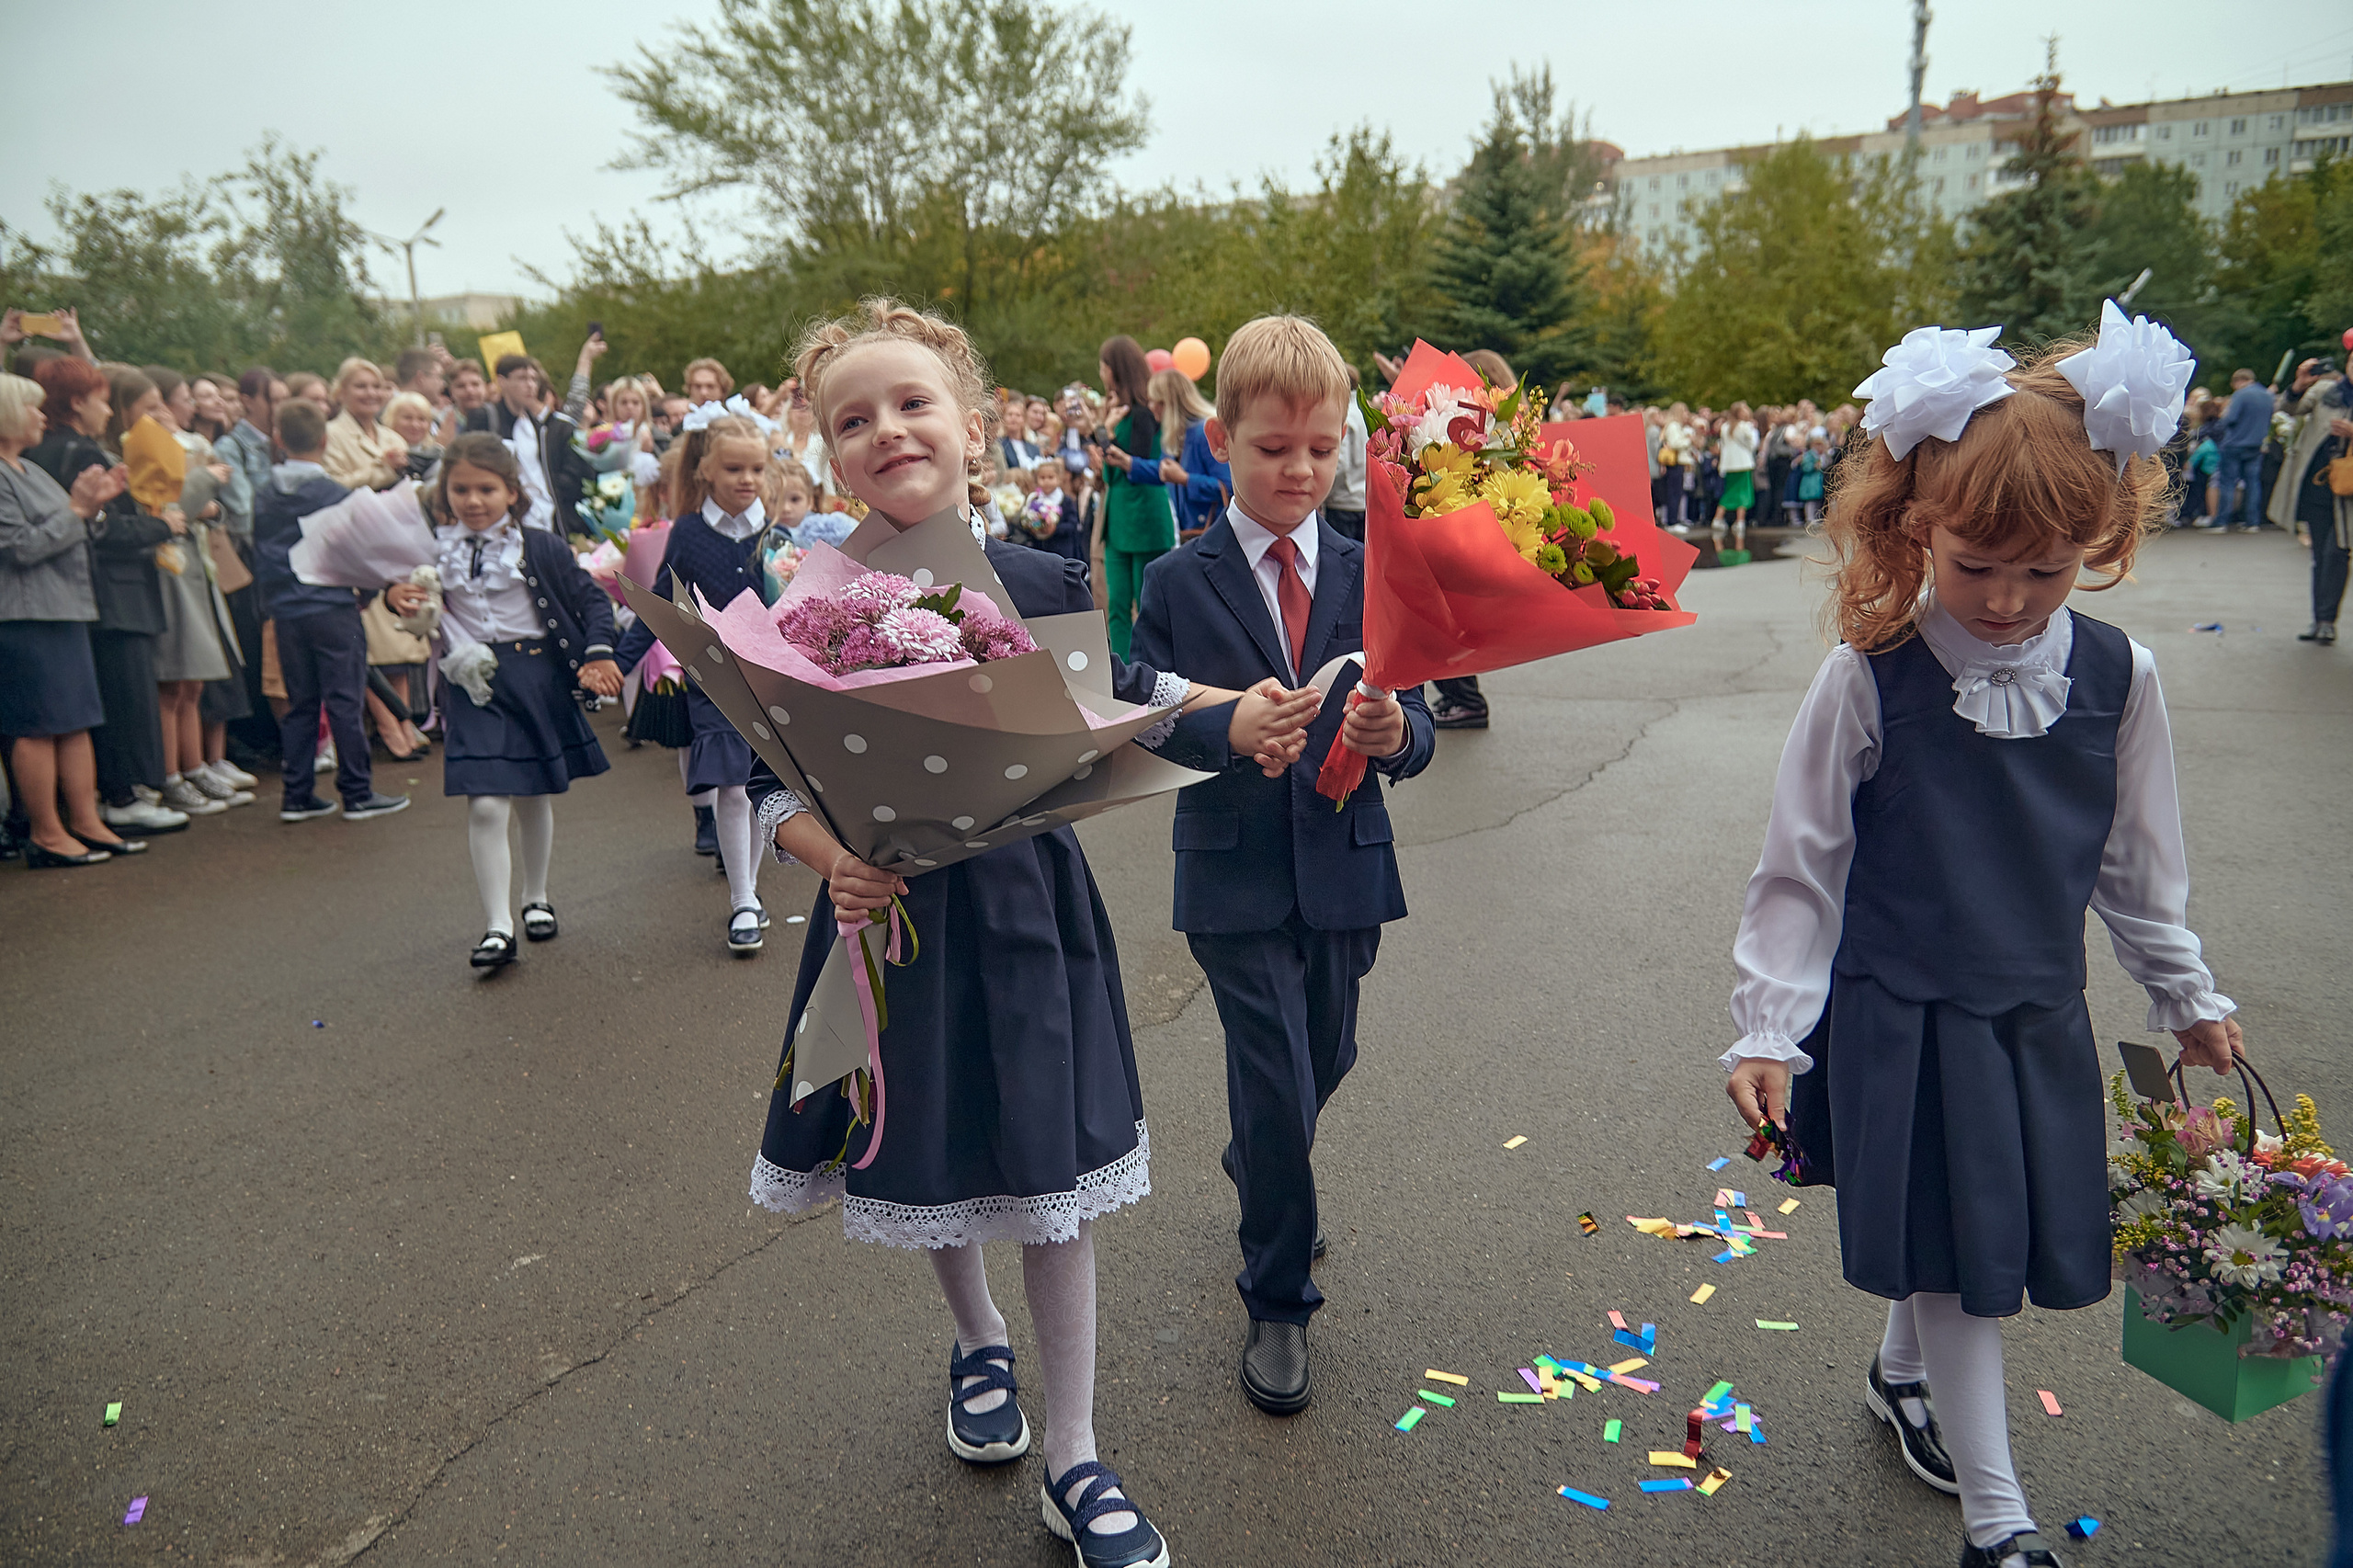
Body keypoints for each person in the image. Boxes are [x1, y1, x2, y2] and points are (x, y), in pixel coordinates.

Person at [750, 297, 1316, 1568]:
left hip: (1025, 915)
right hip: (891, 927)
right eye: (854, 419)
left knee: (1054, 1186)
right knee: (938, 1156)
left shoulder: (1045, 579)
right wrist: (835, 856)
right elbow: (766, 787)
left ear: (973, 425)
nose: (887, 429)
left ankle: (1075, 1454)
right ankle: (975, 1342)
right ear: (829, 456)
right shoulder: (810, 605)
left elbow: (1131, 693)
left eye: (912, 403)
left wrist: (1238, 712)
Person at [1724, 317, 2240, 1568]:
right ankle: (1998, 1522)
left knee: (1957, 1230)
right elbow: (1806, 861)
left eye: (2046, 573)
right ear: (1917, 529)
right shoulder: (1869, 675)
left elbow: (2133, 866)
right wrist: (1767, 1025)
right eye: (1977, 567)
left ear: (2098, 549)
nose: (2008, 602)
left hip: (2031, 1014)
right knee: (1962, 1257)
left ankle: (1904, 1377)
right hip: (1904, 1009)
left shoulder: (2124, 677)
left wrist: (2186, 993)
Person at [1129, 313, 1438, 1420]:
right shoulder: (1176, 578)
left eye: (1321, 448)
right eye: (1272, 449)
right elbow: (1141, 712)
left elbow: (1426, 717)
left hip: (1347, 862)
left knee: (1326, 1053)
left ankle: (1261, 1158)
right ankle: (1276, 1293)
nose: (1300, 469)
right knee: (1271, 1071)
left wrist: (1392, 733)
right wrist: (1227, 730)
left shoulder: (1376, 567)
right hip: (1232, 871)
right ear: (1221, 438)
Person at [429, 432, 620, 968]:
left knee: (534, 791)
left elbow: (593, 601)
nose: (472, 500)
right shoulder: (433, 548)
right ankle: (497, 926)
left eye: (485, 488)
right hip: (472, 682)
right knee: (487, 801)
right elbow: (414, 602)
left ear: (512, 491)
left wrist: (599, 653)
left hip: (535, 674)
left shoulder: (541, 545)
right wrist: (400, 597)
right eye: (460, 489)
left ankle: (535, 897)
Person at [612, 409, 776, 951]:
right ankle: (744, 901)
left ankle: (749, 885)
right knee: (731, 786)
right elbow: (662, 597)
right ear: (707, 469)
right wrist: (620, 659)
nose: (746, 480)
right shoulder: (687, 531)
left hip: (769, 677)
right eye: (733, 469)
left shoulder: (773, 531)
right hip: (713, 676)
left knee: (757, 789)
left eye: (756, 468)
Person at [0, 370, 147, 865]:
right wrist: (79, 510)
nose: (41, 416)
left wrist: (97, 507)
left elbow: (71, 525)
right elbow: (20, 548)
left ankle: (86, 822)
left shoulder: (28, 470)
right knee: (39, 726)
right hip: (24, 617)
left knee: (78, 721)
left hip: (65, 610)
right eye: (30, 408)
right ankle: (46, 833)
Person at [37, 364, 191, 835]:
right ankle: (122, 795)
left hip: (89, 591)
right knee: (126, 697)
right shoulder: (81, 451)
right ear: (78, 402)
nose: (107, 410)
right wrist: (162, 526)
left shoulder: (45, 451)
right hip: (114, 591)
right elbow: (101, 527)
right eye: (100, 400)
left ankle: (118, 793)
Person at [252, 397, 415, 824]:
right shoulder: (335, 493)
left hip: (287, 610)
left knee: (301, 702)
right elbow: (357, 550)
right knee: (344, 697)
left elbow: (261, 554)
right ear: (325, 440)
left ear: (277, 439)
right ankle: (357, 791)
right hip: (331, 605)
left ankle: (297, 794)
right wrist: (367, 590)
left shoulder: (265, 494)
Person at [466, 338, 605, 534]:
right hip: (507, 522)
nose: (530, 385)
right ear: (502, 381)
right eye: (522, 378)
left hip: (547, 519)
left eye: (534, 379)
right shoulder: (485, 417)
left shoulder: (540, 426)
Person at [1093, 335, 1174, 660]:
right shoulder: (1117, 412)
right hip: (1118, 517)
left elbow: (1135, 461)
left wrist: (1105, 433)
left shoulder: (1144, 414)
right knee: (1116, 604)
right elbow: (1109, 472)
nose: (1100, 373)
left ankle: (1151, 670)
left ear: (1115, 369)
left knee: (1147, 605)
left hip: (1144, 518)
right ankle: (1121, 670)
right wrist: (1104, 428)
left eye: (1103, 366)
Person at [2268, 355, 2351, 643]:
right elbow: (2289, 409)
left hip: (2350, 493)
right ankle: (2321, 620)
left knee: (2337, 553)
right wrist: (2299, 385)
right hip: (2319, 485)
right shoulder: (2324, 391)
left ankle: (2327, 620)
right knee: (2320, 555)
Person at [1121, 367, 1229, 538]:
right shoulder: (1179, 433)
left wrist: (1185, 479)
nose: (1150, 406)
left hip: (1212, 533)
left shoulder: (1203, 433)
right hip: (1192, 532)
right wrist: (1127, 463)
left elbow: (1228, 486)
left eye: (1154, 401)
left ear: (1167, 402)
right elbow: (1166, 471)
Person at [322, 358, 408, 493]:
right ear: (341, 392)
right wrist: (384, 469)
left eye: (377, 387)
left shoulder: (394, 438)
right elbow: (333, 485)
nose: (371, 393)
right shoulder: (329, 435)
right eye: (361, 386)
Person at [2211, 367, 2274, 532]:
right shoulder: (2267, 395)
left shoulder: (2240, 395)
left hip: (2234, 444)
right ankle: (2252, 522)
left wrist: (2223, 416)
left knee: (2228, 483)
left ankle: (2222, 521)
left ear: (2238, 381)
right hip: (2256, 445)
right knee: (2253, 483)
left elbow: (2230, 419)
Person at [1322, 369, 1367, 542]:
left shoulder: (1345, 414)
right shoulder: (1365, 412)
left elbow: (1340, 463)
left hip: (1342, 501)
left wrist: (1325, 494)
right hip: (1363, 501)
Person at [1021, 453, 1085, 567]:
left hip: (1062, 551)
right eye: (1042, 478)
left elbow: (1072, 524)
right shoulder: (1034, 500)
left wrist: (1055, 529)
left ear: (1059, 479)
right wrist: (1035, 526)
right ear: (1036, 480)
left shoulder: (1065, 501)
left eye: (1051, 477)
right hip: (1041, 550)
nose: (1046, 481)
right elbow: (1028, 522)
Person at [1713, 401, 1758, 554]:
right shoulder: (1746, 427)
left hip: (1729, 465)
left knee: (1730, 491)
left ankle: (1718, 519)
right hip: (1743, 463)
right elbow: (1753, 444)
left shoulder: (1725, 427)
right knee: (1743, 493)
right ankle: (1740, 521)